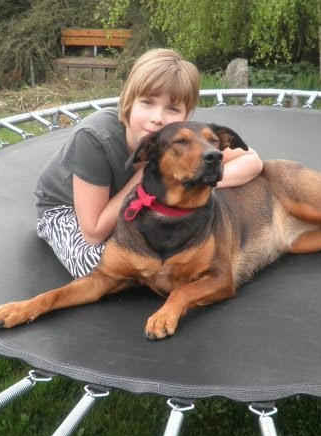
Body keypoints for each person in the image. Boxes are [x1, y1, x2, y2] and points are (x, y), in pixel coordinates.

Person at [35, 48, 263, 277]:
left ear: (186, 116)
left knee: (155, 259)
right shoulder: (94, 138)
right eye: (147, 102)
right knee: (98, 265)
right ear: (128, 103)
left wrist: (200, 181)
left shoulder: (182, 141)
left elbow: (251, 160)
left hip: (132, 205)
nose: (157, 118)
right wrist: (142, 175)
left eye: (172, 109)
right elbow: (93, 232)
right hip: (67, 211)